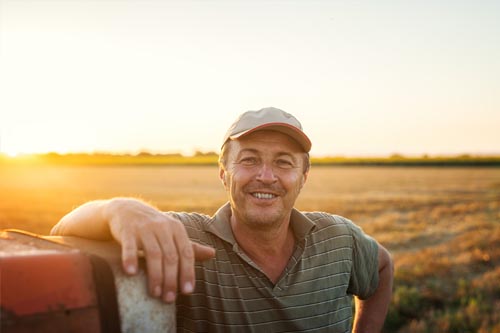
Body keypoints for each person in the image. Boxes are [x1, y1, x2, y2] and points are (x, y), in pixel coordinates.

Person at [51, 107, 394, 332]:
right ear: (223, 173)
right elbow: (61, 231)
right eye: (249, 159)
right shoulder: (184, 238)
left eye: (284, 162)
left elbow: (382, 267)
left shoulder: (338, 238)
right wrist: (118, 210)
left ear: (303, 176)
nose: (265, 176)